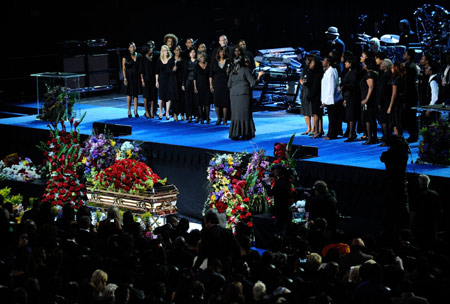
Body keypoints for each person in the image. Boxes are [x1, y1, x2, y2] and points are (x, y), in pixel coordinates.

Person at [228, 47, 264, 140]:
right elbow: (253, 82)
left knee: (236, 115)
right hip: (244, 94)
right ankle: (245, 133)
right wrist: (259, 76)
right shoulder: (245, 70)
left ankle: (235, 133)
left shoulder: (232, 71)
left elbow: (228, 84)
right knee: (245, 114)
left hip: (234, 95)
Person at [380, 135, 410, 242]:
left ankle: (388, 229)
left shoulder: (389, 154)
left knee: (389, 205)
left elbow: (382, 158)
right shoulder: (404, 154)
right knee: (403, 205)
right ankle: (404, 227)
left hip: (391, 182)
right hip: (401, 182)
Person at [193, 210, 241, 276]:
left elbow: (202, 253)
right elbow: (237, 249)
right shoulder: (228, 232)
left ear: (209, 221)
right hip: (227, 265)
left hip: (213, 267)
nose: (205, 226)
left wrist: (195, 268)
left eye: (205, 223)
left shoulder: (207, 234)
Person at [409, 174, 442, 246]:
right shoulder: (435, 194)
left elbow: (413, 212)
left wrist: (411, 224)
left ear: (419, 183)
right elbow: (439, 211)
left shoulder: (417, 195)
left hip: (419, 225)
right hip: (431, 225)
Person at [266, 164, 294, 237]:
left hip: (280, 208)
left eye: (275, 170)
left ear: (279, 171)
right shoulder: (286, 181)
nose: (273, 172)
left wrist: (268, 184)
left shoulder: (280, 183)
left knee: (279, 227)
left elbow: (271, 193)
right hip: (286, 207)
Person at [210, 46, 231, 125]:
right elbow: (211, 75)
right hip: (216, 84)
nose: (222, 53)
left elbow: (231, 74)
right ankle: (219, 118)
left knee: (225, 102)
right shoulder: (214, 62)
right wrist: (211, 85)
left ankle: (225, 119)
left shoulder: (228, 61)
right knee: (217, 102)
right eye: (220, 52)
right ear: (218, 53)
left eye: (223, 52)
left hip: (225, 84)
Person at [321, 56, 341, 140]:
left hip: (332, 99)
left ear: (328, 62)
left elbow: (331, 87)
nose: (322, 61)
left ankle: (331, 134)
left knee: (332, 118)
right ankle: (332, 133)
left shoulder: (331, 71)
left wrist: (327, 101)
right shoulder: (328, 71)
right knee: (332, 117)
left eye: (324, 60)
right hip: (330, 98)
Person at [360, 57, 378, 144]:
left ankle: (370, 138)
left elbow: (371, 87)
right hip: (370, 100)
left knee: (368, 119)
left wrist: (366, 99)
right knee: (370, 119)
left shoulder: (369, 74)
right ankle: (373, 137)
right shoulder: (373, 73)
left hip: (369, 101)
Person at [341, 56, 360, 142]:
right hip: (348, 95)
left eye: (347, 62)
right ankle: (351, 133)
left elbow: (353, 85)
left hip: (352, 96)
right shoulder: (348, 72)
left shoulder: (353, 73)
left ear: (351, 63)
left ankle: (351, 134)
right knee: (349, 115)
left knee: (351, 116)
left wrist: (343, 87)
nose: (345, 63)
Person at [305, 54, 324, 138]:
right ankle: (320, 130)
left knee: (316, 114)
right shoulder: (319, 72)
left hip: (315, 95)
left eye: (311, 63)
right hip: (318, 94)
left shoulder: (315, 73)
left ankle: (316, 131)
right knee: (319, 114)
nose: (310, 65)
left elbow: (313, 85)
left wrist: (309, 96)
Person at [403, 49, 419, 142]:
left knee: (410, 116)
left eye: (405, 54)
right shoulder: (410, 65)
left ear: (409, 56)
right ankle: (412, 134)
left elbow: (408, 81)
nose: (403, 55)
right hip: (410, 93)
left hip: (410, 94)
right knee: (409, 116)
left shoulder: (410, 66)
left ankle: (413, 135)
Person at [155, 45, 176, 120]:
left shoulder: (171, 59)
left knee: (168, 96)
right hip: (161, 79)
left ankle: (167, 112)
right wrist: (156, 81)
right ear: (162, 51)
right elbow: (157, 72)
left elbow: (173, 70)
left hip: (169, 80)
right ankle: (161, 112)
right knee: (161, 97)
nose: (165, 52)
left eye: (166, 50)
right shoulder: (159, 60)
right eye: (164, 50)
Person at [122, 42, 142, 118]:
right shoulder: (125, 56)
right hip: (128, 76)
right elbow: (123, 68)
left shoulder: (139, 56)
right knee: (129, 94)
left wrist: (141, 78)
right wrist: (125, 78)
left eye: (133, 47)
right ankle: (129, 110)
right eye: (131, 47)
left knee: (136, 94)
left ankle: (136, 110)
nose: (132, 48)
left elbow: (140, 68)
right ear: (128, 48)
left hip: (136, 76)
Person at [376, 59, 393, 146]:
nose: (380, 65)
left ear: (385, 66)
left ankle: (386, 139)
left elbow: (381, 90)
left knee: (384, 121)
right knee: (387, 121)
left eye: (382, 64)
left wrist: (379, 102)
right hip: (389, 100)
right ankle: (387, 138)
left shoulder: (384, 76)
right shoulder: (390, 74)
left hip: (384, 101)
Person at [387, 62, 407, 136]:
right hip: (401, 102)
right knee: (398, 122)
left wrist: (390, 106)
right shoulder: (403, 77)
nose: (391, 69)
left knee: (396, 122)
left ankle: (398, 138)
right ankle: (399, 138)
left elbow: (394, 94)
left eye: (392, 68)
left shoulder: (396, 79)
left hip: (396, 103)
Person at [140, 44, 158, 119]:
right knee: (146, 96)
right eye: (150, 48)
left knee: (153, 96)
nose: (151, 50)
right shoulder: (143, 58)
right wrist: (142, 80)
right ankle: (146, 111)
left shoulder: (153, 58)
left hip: (153, 79)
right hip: (146, 79)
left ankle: (151, 111)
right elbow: (141, 71)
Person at [194, 52, 211, 124]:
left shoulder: (208, 65)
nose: (202, 58)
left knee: (207, 103)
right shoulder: (196, 66)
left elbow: (210, 76)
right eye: (201, 57)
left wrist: (211, 85)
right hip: (199, 86)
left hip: (206, 86)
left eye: (203, 56)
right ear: (199, 58)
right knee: (200, 103)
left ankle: (207, 118)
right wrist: (195, 87)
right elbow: (194, 78)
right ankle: (201, 119)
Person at [182, 47, 198, 123]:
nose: (193, 54)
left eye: (194, 52)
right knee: (188, 99)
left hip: (196, 82)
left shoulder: (198, 62)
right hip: (188, 81)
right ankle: (189, 115)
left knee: (196, 99)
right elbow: (184, 74)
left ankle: (197, 115)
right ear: (189, 54)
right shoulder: (187, 62)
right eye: (191, 52)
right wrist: (183, 84)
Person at [299, 55, 312, 135]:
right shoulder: (305, 69)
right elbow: (301, 78)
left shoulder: (313, 70)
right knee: (305, 111)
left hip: (310, 91)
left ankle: (314, 128)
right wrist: (301, 81)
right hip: (304, 90)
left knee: (311, 111)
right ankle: (308, 128)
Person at [173, 45, 185, 121]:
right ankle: (175, 114)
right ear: (174, 51)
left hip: (181, 81)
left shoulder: (183, 60)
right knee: (175, 99)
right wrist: (173, 69)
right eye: (177, 50)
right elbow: (168, 70)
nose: (178, 51)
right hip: (174, 82)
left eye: (179, 50)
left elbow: (184, 72)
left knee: (182, 98)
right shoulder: (171, 60)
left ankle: (182, 114)